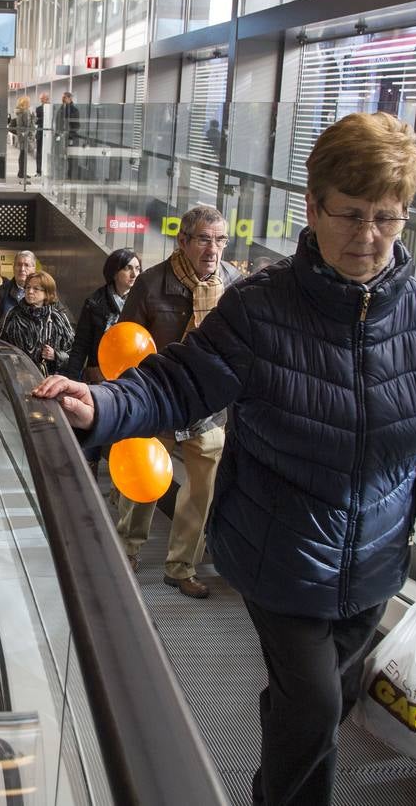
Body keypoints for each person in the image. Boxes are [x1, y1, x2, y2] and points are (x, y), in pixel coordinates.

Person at [33, 112, 416, 806]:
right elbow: (178, 380)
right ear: (312, 207)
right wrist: (102, 405)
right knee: (314, 708)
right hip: (281, 553)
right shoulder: (260, 310)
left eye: (385, 218)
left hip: (376, 561)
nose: (366, 237)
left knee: (319, 701)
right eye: (349, 215)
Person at [110, 207, 243, 597]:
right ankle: (126, 548)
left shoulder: (233, 282)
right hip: (159, 397)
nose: (213, 249)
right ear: (182, 241)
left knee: (202, 490)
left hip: (209, 405)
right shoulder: (152, 283)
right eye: (204, 239)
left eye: (220, 240)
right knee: (142, 480)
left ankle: (182, 565)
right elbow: (126, 341)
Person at [64, 248, 141, 383]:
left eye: (137, 268)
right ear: (114, 272)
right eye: (128, 268)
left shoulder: (141, 300)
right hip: (99, 375)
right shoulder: (94, 302)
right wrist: (72, 380)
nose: (134, 274)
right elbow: (81, 345)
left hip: (131, 376)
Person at [0, 270, 74, 375]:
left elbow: (73, 353)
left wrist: (56, 355)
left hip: (49, 381)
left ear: (47, 293)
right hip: (17, 377)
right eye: (27, 287)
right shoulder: (13, 315)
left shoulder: (58, 318)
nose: (30, 291)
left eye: (36, 289)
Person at [13, 95, 36, 179]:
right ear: (26, 103)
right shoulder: (26, 112)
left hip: (21, 134)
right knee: (24, 154)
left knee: (22, 153)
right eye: (29, 101)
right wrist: (33, 116)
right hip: (25, 135)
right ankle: (22, 173)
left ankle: (21, 172)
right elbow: (28, 124)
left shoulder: (19, 112)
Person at [34, 92, 50, 177]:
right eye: (40, 99)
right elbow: (37, 121)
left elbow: (38, 120)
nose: (40, 100)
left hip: (48, 134)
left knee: (47, 152)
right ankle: (39, 171)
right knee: (39, 152)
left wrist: (39, 120)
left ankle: (46, 171)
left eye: (42, 98)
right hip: (40, 133)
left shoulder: (51, 108)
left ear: (46, 98)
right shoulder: (38, 108)